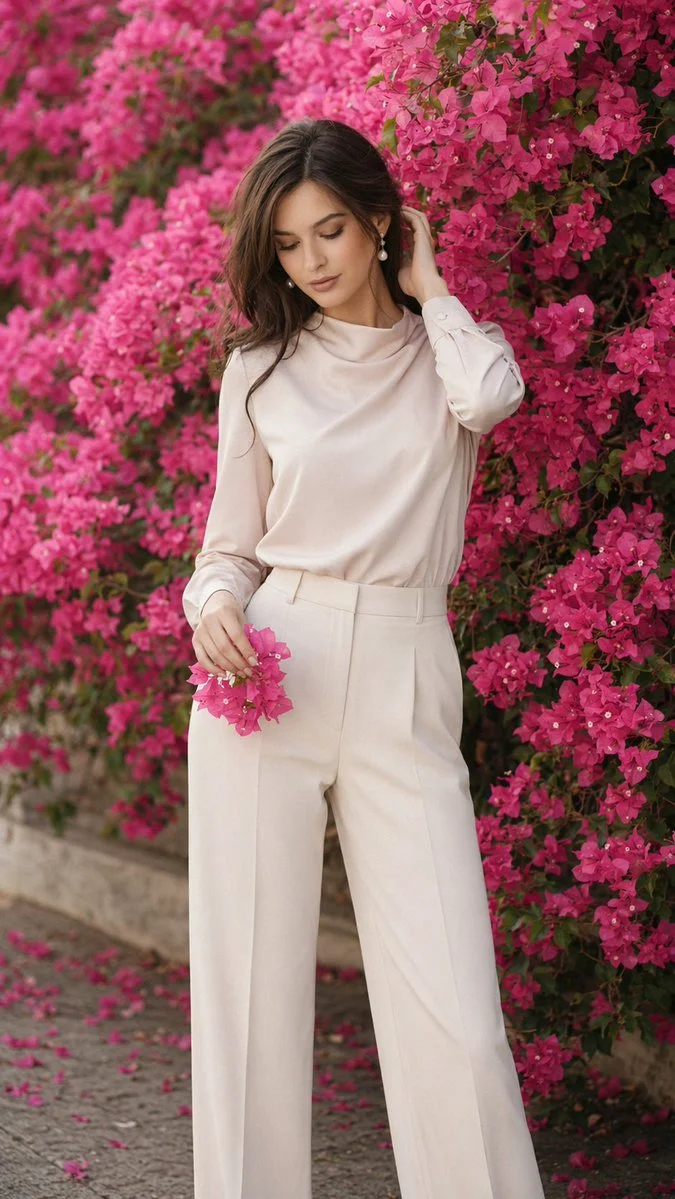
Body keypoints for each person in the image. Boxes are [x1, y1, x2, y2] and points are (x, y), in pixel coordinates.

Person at [182, 117, 546, 1199]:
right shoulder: (260, 370)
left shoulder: (447, 355)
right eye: (290, 245)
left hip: (402, 662)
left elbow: (493, 396)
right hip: (267, 670)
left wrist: (432, 286)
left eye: (332, 229)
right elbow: (229, 545)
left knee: (459, 1013)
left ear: (380, 220)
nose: (314, 262)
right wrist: (209, 603)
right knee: (248, 997)